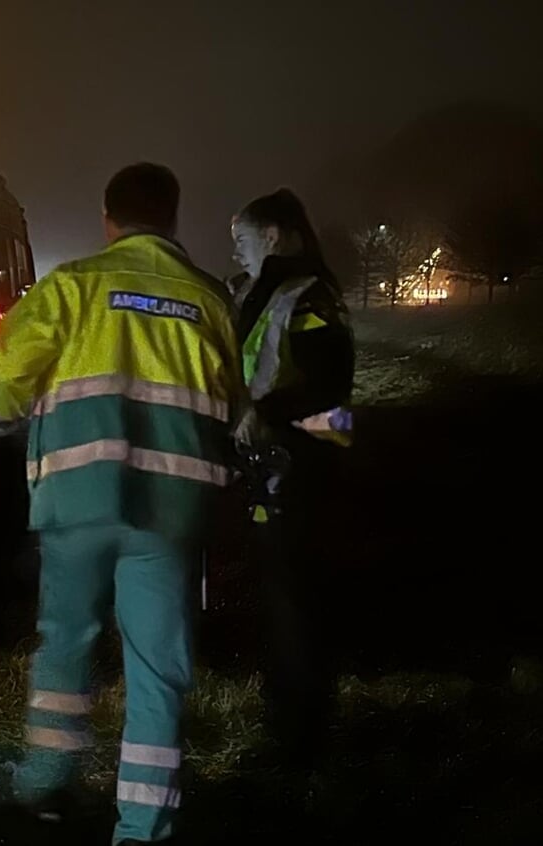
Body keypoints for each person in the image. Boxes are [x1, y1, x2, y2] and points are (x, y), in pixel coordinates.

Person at [0, 163, 241, 845]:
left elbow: (4, 389)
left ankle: (45, 792)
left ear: (108, 219)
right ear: (171, 219)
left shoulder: (69, 289)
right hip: (171, 512)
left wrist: (16, 407)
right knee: (157, 669)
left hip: (77, 502)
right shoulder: (210, 301)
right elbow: (233, 406)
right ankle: (143, 826)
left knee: (65, 646)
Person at [229, 189, 355, 767]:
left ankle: (301, 736)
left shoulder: (307, 296)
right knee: (283, 600)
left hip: (302, 469)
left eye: (243, 239)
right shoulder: (274, 291)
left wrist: (267, 415)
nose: (239, 251)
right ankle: (289, 715)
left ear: (272, 235)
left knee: (296, 603)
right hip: (279, 467)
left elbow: (330, 389)